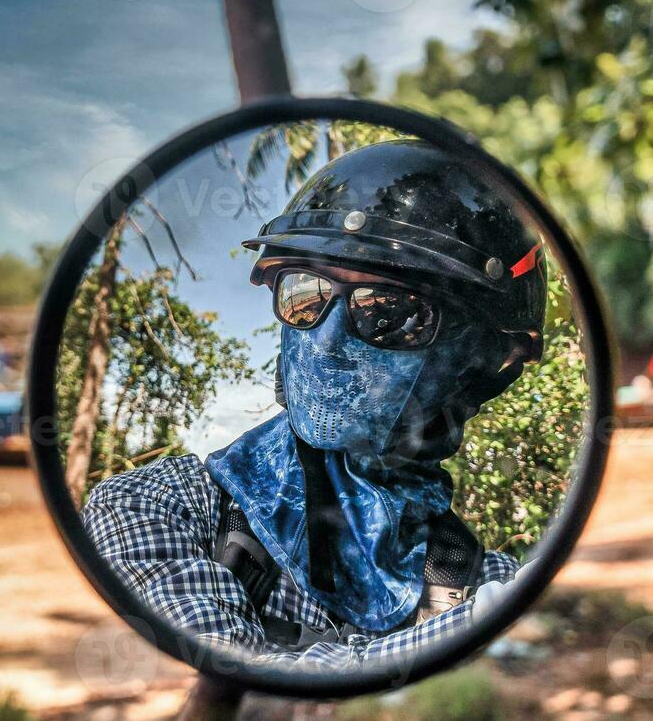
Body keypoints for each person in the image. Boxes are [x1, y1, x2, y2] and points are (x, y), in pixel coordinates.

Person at [82, 140, 547, 666]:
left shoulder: (487, 581)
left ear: (485, 364)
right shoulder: (157, 508)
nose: (326, 342)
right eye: (304, 292)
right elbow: (247, 691)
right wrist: (483, 625)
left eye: (389, 310)